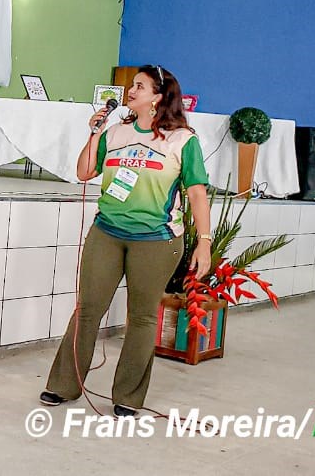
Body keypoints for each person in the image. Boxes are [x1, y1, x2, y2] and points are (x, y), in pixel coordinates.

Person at [39, 65, 213, 417]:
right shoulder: (115, 132)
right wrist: (95, 132)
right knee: (87, 310)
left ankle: (128, 397)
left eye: (139, 86)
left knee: (142, 317)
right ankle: (63, 385)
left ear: (159, 97)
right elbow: (84, 172)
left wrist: (205, 242)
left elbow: (196, 193)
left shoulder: (183, 141)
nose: (130, 91)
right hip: (107, 233)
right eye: (131, 86)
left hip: (156, 240)